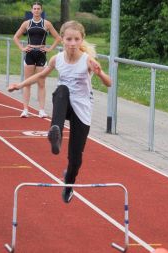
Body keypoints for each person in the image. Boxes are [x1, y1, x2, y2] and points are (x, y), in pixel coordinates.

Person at [8, 20, 112, 203]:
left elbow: (109, 83)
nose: (72, 43)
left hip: (81, 108)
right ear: (62, 39)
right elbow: (41, 75)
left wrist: (101, 73)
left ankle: (69, 183)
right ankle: (55, 131)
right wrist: (19, 85)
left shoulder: (87, 60)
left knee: (75, 158)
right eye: (69, 39)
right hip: (63, 104)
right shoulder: (57, 59)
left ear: (81, 40)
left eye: (76, 39)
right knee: (62, 90)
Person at [13, 2, 61, 118]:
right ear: (31, 10)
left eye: (38, 9)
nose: (36, 10)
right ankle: (25, 109)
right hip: (30, 53)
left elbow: (58, 38)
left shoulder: (46, 23)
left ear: (41, 10)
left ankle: (41, 110)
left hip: (41, 53)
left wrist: (49, 49)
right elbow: (15, 37)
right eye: (34, 9)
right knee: (27, 82)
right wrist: (22, 48)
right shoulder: (27, 23)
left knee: (41, 83)